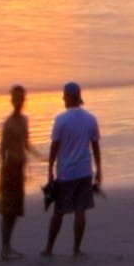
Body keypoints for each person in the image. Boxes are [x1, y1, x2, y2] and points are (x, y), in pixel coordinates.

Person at [41, 80, 102, 256]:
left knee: (59, 212)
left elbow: (54, 146)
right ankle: (76, 248)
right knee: (80, 211)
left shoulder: (61, 120)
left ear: (70, 97)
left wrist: (50, 169)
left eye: (65, 96)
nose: (63, 99)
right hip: (84, 171)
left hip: (66, 172)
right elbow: (95, 146)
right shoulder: (90, 119)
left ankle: (49, 248)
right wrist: (99, 169)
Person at [0, 85, 33, 261]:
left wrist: (42, 158)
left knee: (16, 210)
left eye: (22, 99)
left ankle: (8, 246)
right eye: (17, 99)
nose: (19, 102)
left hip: (20, 169)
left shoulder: (24, 120)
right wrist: (4, 173)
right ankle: (4, 248)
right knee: (7, 211)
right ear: (12, 101)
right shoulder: (8, 124)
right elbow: (2, 150)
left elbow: (26, 145)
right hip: (10, 169)